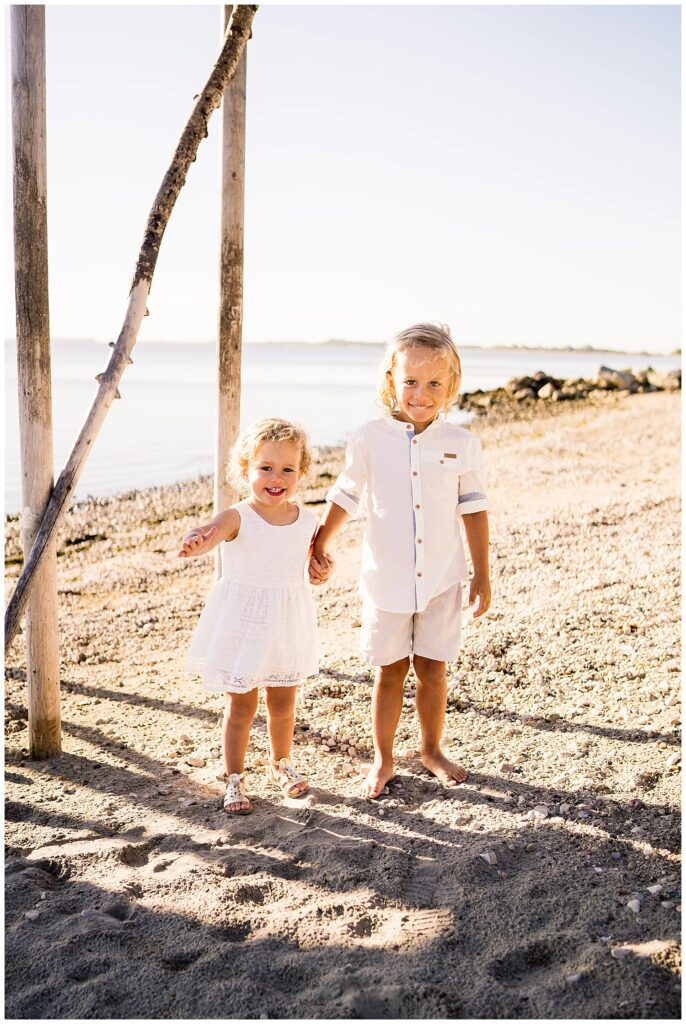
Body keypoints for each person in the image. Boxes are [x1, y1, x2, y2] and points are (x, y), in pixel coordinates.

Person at [311, 323, 491, 799]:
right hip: (386, 581)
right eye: (411, 381)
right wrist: (320, 543)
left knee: (433, 670)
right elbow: (346, 494)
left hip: (441, 579)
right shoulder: (369, 437)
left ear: (451, 385)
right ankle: (384, 759)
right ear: (391, 379)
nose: (421, 393)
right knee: (389, 672)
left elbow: (474, 509)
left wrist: (482, 573)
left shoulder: (461, 443)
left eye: (434, 383)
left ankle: (431, 751)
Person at [180, 418, 320, 815]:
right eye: (266, 468)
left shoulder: (308, 520)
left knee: (283, 702)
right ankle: (234, 777)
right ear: (246, 470)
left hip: (286, 624)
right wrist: (196, 540)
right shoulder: (238, 515)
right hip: (243, 624)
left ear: (301, 473)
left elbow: (312, 562)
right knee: (241, 706)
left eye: (287, 469)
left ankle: (281, 763)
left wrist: (322, 568)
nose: (277, 478)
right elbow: (209, 532)